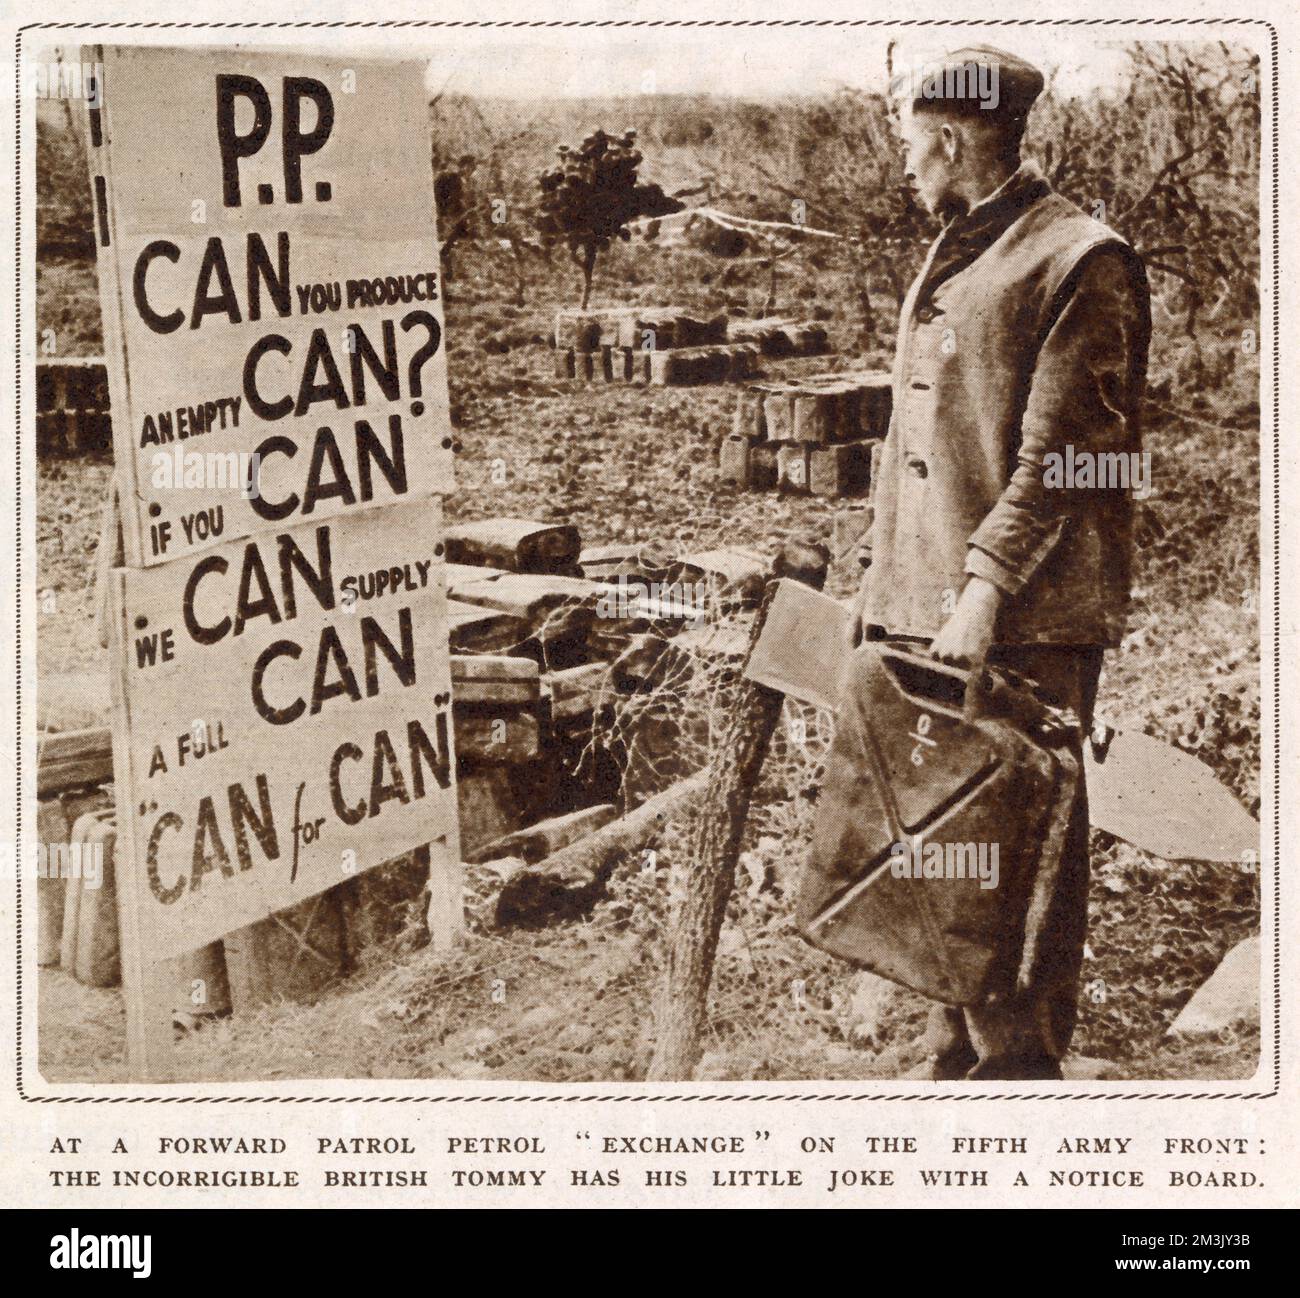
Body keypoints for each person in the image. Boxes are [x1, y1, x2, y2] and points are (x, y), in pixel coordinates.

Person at [843, 46, 1151, 1079]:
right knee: (940, 851)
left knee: (1017, 856)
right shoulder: (960, 246)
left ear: (946, 137)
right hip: (931, 608)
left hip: (1020, 617)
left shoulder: (1078, 257)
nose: (902, 164)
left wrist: (982, 586)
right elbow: (915, 441)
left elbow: (1075, 458)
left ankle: (1017, 1084)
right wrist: (879, 583)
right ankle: (955, 1063)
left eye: (905, 142)